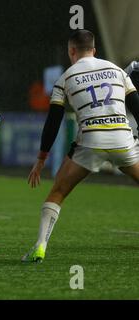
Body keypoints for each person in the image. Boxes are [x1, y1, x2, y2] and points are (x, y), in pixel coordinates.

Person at [22, 30, 139, 263]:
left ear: (71, 51)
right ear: (94, 50)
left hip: (90, 142)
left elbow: (53, 122)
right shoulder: (117, 70)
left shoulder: (65, 77)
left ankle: (40, 246)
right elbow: (137, 107)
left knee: (58, 192)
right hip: (122, 140)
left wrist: (41, 158)